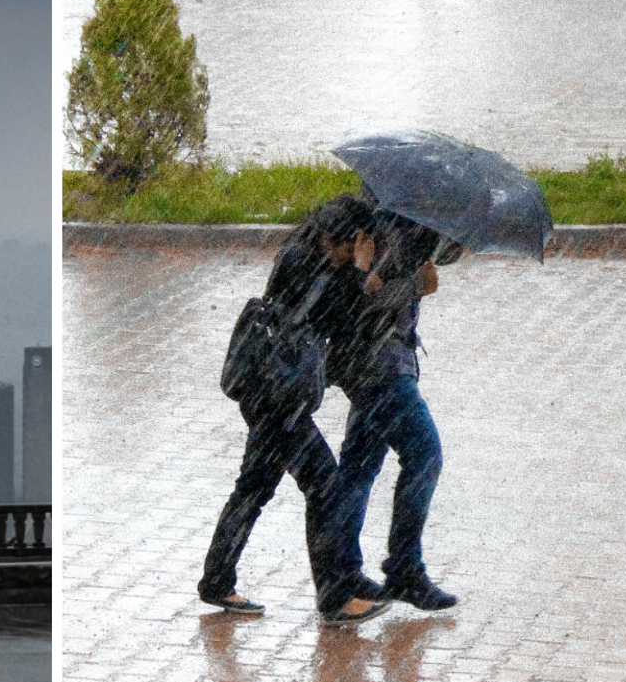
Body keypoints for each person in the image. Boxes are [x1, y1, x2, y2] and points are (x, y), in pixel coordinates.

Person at [198, 194, 396, 625]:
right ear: (344, 238)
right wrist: (361, 277)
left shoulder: (308, 254)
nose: (359, 252)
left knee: (254, 485)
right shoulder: (308, 263)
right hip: (276, 399)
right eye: (358, 244)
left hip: (267, 391)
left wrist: (360, 276)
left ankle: (216, 580)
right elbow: (338, 318)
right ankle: (334, 598)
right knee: (324, 484)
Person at [325, 207, 462, 611]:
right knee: (424, 454)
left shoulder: (409, 219)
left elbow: (443, 254)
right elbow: (362, 303)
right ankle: (403, 567)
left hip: (376, 362)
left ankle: (343, 572)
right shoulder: (385, 224)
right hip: (378, 367)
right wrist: (416, 285)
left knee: (359, 466)